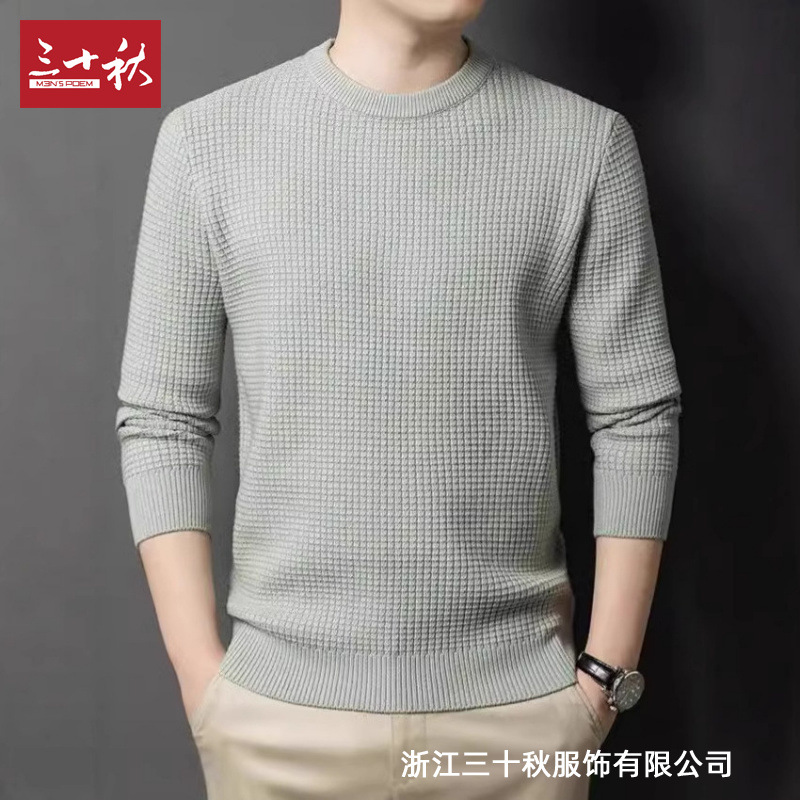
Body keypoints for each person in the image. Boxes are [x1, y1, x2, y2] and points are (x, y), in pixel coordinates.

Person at [114, 1, 682, 798]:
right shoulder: (207, 141)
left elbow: (637, 418)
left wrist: (601, 681)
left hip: (518, 723)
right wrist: (203, 681)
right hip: (276, 725)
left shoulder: (583, 143)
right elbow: (163, 419)